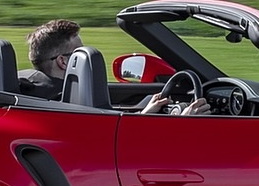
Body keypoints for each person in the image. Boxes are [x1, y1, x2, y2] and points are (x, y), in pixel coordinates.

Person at [21, 19, 209, 114]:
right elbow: (112, 143)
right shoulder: (63, 103)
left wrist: (144, 114)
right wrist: (180, 122)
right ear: (63, 61)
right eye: (79, 53)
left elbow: (109, 131)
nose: (84, 58)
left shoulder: (32, 87)